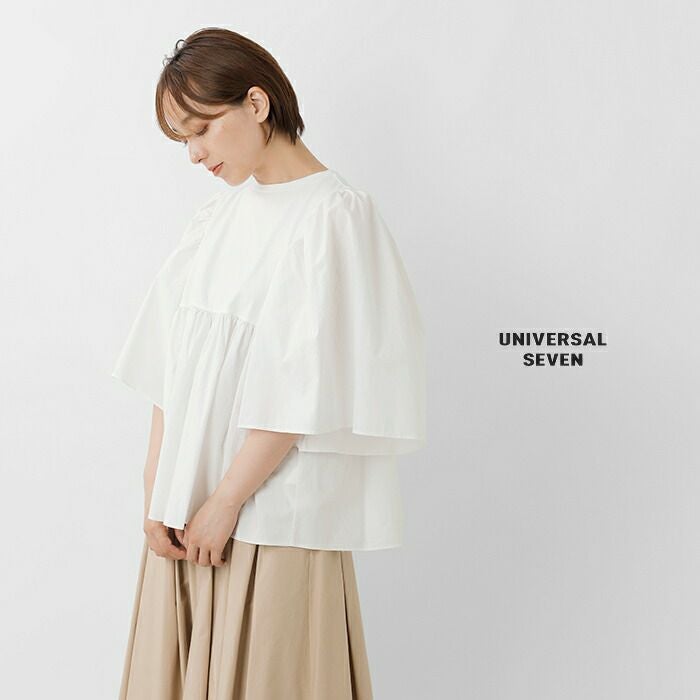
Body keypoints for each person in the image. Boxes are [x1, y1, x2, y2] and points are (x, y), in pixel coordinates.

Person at [111, 27, 426, 700]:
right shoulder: (215, 222)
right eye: (182, 139)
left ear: (256, 104)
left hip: (271, 514)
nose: (194, 154)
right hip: (187, 510)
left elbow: (307, 385)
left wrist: (227, 501)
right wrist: (156, 490)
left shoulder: (334, 217)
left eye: (201, 129)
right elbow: (170, 364)